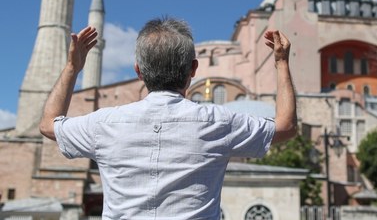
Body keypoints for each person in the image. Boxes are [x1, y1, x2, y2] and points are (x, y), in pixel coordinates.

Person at [39, 17, 297, 220]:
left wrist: (73, 67)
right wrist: (281, 63)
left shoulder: (104, 124)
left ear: (139, 72)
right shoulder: (219, 123)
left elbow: (49, 124)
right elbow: (285, 127)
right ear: (193, 70)